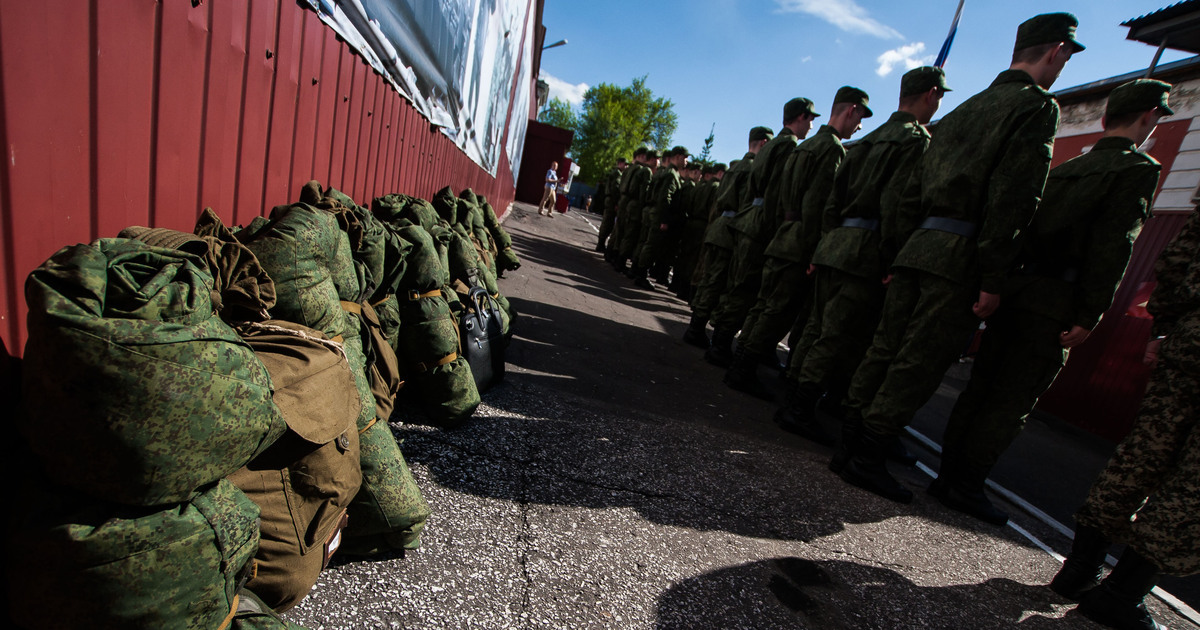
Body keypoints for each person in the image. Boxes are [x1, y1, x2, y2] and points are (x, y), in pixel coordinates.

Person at [837, 12, 1083, 504]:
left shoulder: (961, 112)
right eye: (1065, 57)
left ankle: (852, 439)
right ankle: (866, 456)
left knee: (885, 349)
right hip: (959, 258)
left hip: (917, 249)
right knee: (919, 362)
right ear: (1056, 51)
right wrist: (994, 276)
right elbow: (1015, 197)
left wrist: (898, 251)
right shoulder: (1035, 108)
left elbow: (907, 194)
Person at [930, 79, 1169, 527]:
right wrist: (1089, 313)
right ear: (1147, 117)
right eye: (1157, 116)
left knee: (981, 388)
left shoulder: (1063, 169)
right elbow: (1113, 248)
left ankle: (946, 475)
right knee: (1010, 400)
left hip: (1020, 291)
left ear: (1103, 120)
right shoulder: (1137, 169)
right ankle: (966, 484)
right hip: (1055, 303)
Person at [775, 67, 947, 446]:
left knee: (818, 328)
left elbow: (832, 200)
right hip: (865, 250)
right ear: (930, 95)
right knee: (836, 336)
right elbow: (896, 205)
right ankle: (800, 410)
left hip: (836, 243)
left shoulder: (867, 142)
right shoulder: (914, 141)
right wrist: (891, 255)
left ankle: (792, 397)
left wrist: (825, 243)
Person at [1048, 207, 1198, 630]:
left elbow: (1175, 262)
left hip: (1189, 342)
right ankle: (1120, 595)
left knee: (1140, 457)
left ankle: (1079, 571)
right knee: (1192, 487)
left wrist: (1164, 329)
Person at [723, 87, 870, 399]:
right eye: (860, 116)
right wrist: (819, 247)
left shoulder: (803, 146)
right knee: (777, 308)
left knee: (764, 303)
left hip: (782, 233)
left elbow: (774, 196)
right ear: (850, 110)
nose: (860, 125)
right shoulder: (829, 148)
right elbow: (819, 203)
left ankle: (741, 359)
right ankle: (743, 369)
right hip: (801, 238)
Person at [706, 98, 819, 367]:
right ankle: (721, 346)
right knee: (747, 288)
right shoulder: (788, 146)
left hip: (750, 219)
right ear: (800, 117)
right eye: (810, 119)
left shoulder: (770, 146)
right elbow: (778, 193)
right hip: (762, 223)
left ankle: (722, 342)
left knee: (740, 285)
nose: (812, 125)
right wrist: (774, 229)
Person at [684, 127, 773, 348]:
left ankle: (696, 325)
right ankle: (698, 330)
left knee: (710, 278)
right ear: (763, 144)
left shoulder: (735, 167)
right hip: (732, 227)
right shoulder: (753, 168)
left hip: (719, 225)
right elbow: (746, 203)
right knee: (720, 282)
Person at [632, 147, 687, 290]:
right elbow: (665, 198)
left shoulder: (665, 172)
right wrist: (664, 219)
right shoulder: (671, 174)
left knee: (647, 242)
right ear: (678, 157)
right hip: (659, 214)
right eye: (685, 157)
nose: (686, 161)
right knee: (651, 245)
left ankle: (638, 271)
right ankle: (641, 274)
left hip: (654, 212)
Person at [614, 149, 659, 272]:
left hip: (627, 201)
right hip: (635, 203)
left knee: (621, 230)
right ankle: (620, 261)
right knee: (630, 233)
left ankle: (616, 257)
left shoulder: (632, 169)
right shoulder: (645, 171)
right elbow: (643, 191)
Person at [597, 158, 628, 253]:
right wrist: (616, 203)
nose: (626, 166)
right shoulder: (617, 174)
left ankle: (601, 243)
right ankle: (601, 244)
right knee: (608, 222)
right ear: (619, 164)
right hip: (612, 201)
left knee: (607, 221)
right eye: (625, 164)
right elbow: (616, 189)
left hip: (609, 200)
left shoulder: (615, 173)